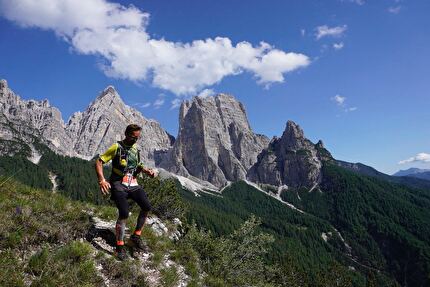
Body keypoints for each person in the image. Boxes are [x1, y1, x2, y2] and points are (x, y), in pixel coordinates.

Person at [95, 124, 156, 260]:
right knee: (124, 213)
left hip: (133, 183)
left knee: (146, 207)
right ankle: (119, 247)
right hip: (118, 184)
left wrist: (147, 171)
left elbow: (137, 166)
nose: (136, 140)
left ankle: (135, 237)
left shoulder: (135, 149)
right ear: (127, 134)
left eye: (138, 138)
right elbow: (99, 161)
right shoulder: (116, 147)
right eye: (134, 137)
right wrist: (102, 180)